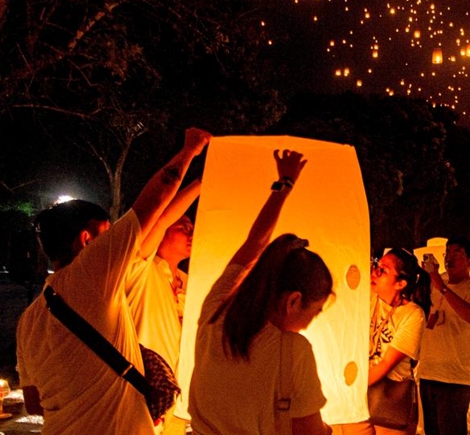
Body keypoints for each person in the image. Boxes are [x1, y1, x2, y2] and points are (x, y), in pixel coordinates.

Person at [17, 128, 211, 435]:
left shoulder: (28, 320)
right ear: (87, 239)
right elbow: (157, 203)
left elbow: (33, 402)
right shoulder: (94, 272)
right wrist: (191, 150)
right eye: (106, 234)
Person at [189, 149, 332, 435]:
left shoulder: (217, 308)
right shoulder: (293, 351)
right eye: (315, 312)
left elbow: (255, 242)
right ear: (293, 301)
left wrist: (285, 184)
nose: (309, 324)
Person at [126, 181, 201, 434]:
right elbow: (159, 217)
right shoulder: (140, 270)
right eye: (185, 227)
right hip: (140, 398)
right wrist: (203, 182)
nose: (192, 234)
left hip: (176, 404)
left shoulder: (191, 283)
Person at [335, 249, 430, 435]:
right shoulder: (368, 298)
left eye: (383, 270)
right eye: (376, 266)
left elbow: (386, 363)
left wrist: (350, 388)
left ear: (400, 283)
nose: (374, 272)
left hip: (389, 400)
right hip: (358, 402)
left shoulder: (412, 314)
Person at [418, 237, 470, 435]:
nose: (449, 257)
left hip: (455, 377)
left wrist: (442, 287)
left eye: (456, 254)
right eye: (447, 252)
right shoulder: (434, 282)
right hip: (428, 372)